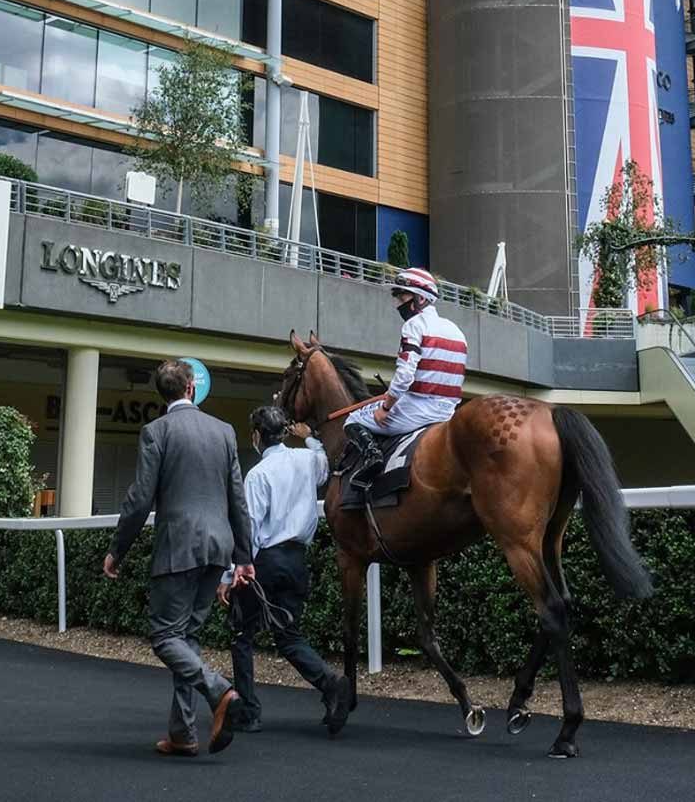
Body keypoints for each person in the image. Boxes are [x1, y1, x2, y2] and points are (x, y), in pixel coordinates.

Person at [103, 358, 255, 758]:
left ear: (164, 393)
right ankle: (183, 733)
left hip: (179, 546)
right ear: (191, 388)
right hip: (219, 548)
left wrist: (117, 549)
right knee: (187, 637)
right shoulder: (223, 431)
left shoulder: (157, 432)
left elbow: (139, 499)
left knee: (165, 636)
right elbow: (237, 498)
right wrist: (244, 556)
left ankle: (219, 690)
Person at [223, 406, 342, 733]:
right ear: (286, 432)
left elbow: (248, 530)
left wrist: (232, 573)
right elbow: (324, 461)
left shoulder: (258, 474)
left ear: (258, 436)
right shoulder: (307, 460)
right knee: (288, 636)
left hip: (264, 562)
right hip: (297, 561)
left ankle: (250, 712)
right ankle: (330, 683)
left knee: (242, 635)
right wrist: (311, 437)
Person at [342, 266, 468, 509]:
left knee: (352, 419)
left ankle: (373, 459)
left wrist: (386, 407)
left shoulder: (414, 326)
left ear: (420, 299)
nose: (398, 303)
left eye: (403, 297)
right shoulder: (457, 331)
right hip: (448, 413)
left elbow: (405, 375)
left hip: (416, 411)